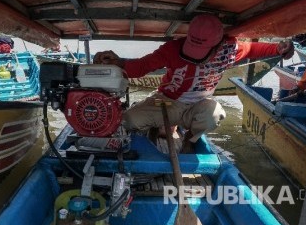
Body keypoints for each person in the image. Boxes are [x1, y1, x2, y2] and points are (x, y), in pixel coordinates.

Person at [93, 14, 294, 152]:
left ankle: (189, 140)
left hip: (198, 106)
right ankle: (164, 125)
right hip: (166, 102)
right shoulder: (172, 49)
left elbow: (251, 50)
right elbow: (142, 66)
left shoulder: (229, 49)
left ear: (217, 44)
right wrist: (117, 62)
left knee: (214, 114)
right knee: (127, 120)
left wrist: (277, 49)